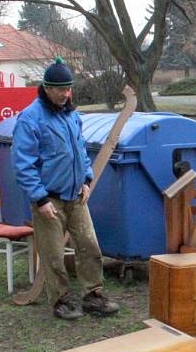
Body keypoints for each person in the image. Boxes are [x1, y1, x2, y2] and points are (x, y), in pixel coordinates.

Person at [11, 57, 120, 320]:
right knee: (54, 255)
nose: (66, 94)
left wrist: (86, 179)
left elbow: (80, 150)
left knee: (89, 246)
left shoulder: (72, 115)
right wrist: (39, 199)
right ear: (47, 88)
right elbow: (23, 163)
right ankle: (61, 301)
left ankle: (93, 296)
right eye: (60, 89)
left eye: (69, 88)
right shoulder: (30, 119)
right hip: (49, 200)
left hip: (75, 196)